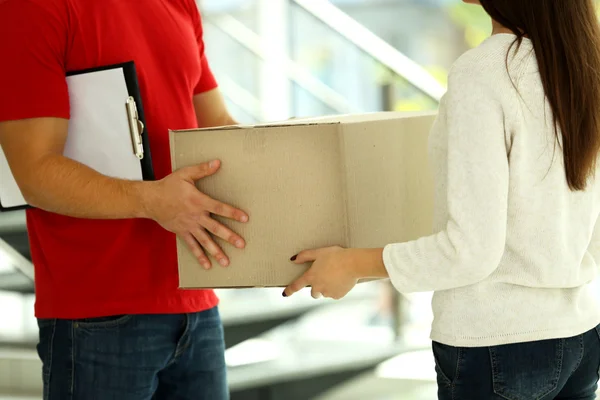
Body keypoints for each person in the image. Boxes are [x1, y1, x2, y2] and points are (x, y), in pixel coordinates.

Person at [283, 0, 600, 398]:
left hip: (496, 345)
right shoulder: (576, 65)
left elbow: (470, 252)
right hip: (580, 335)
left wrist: (350, 263)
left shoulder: (485, 73)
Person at [0, 0, 249, 399]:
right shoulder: (32, 8)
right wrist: (152, 201)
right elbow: (33, 171)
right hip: (97, 314)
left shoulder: (179, 4)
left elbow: (217, 124)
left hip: (197, 300)